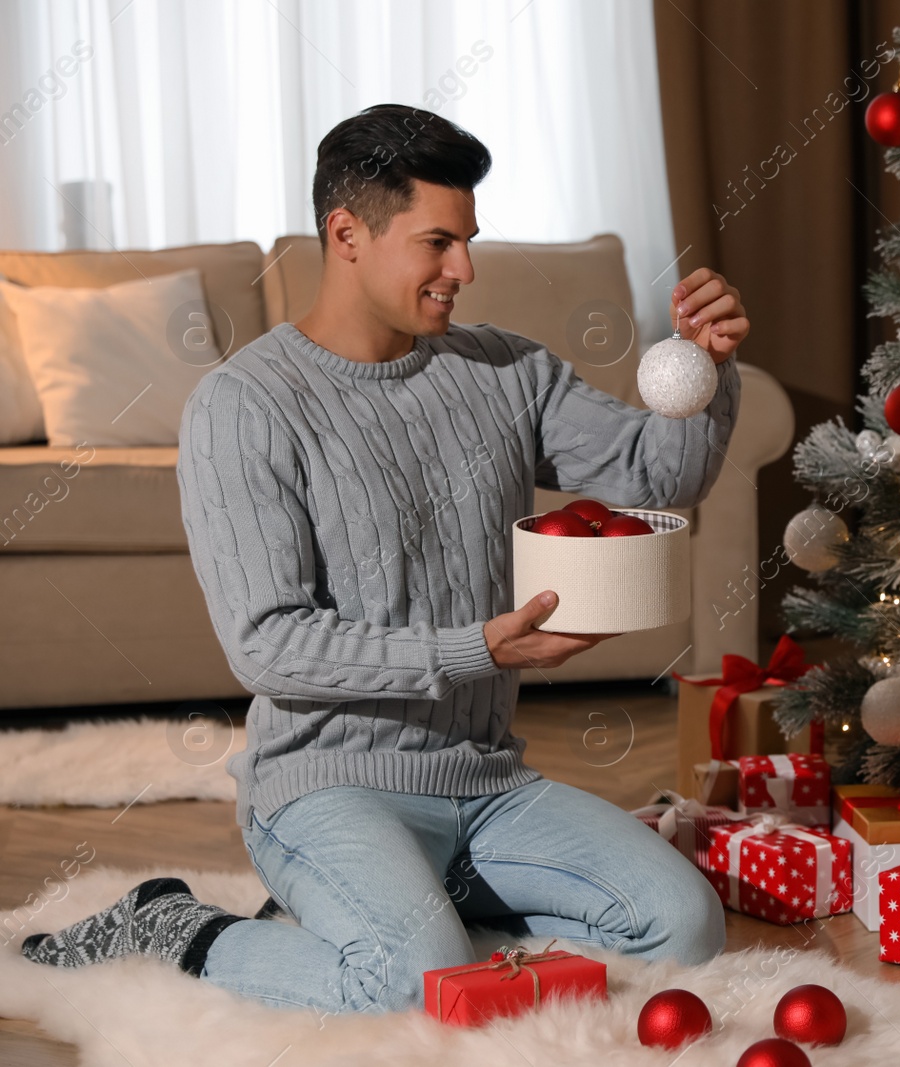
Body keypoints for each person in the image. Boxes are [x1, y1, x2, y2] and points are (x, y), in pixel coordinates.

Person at [20, 104, 748, 1015]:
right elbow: (267, 646)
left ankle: (419, 917)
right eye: (438, 242)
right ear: (347, 233)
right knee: (406, 985)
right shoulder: (245, 406)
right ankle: (175, 928)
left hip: (487, 781)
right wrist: (474, 647)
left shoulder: (505, 370)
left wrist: (710, 375)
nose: (466, 270)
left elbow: (657, 475)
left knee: (686, 926)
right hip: (326, 786)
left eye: (469, 240)